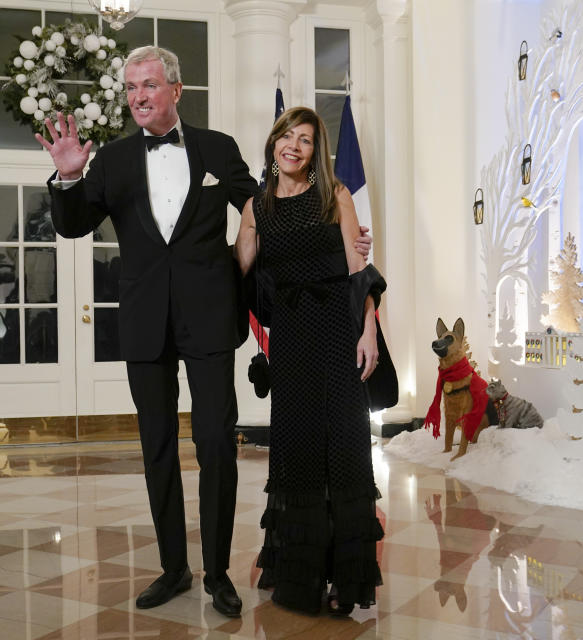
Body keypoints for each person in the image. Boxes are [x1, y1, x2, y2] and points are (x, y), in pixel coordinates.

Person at [37, 46, 372, 618]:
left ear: (175, 89)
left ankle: (217, 572)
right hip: (144, 323)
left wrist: (336, 235)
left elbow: (268, 207)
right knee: (158, 447)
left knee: (217, 444)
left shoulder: (218, 149)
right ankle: (173, 569)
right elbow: (72, 228)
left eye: (148, 85)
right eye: (131, 87)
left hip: (212, 318)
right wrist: (68, 177)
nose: (138, 96)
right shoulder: (113, 160)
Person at [234, 106, 385, 616]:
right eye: (286, 136)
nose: (294, 146)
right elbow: (239, 271)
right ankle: (297, 577)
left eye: (305, 140)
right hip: (294, 340)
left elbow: (358, 269)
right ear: (274, 143)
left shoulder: (334, 196)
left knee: (343, 448)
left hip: (340, 333)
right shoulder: (256, 208)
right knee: (298, 451)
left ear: (315, 151)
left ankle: (346, 578)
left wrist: (370, 330)